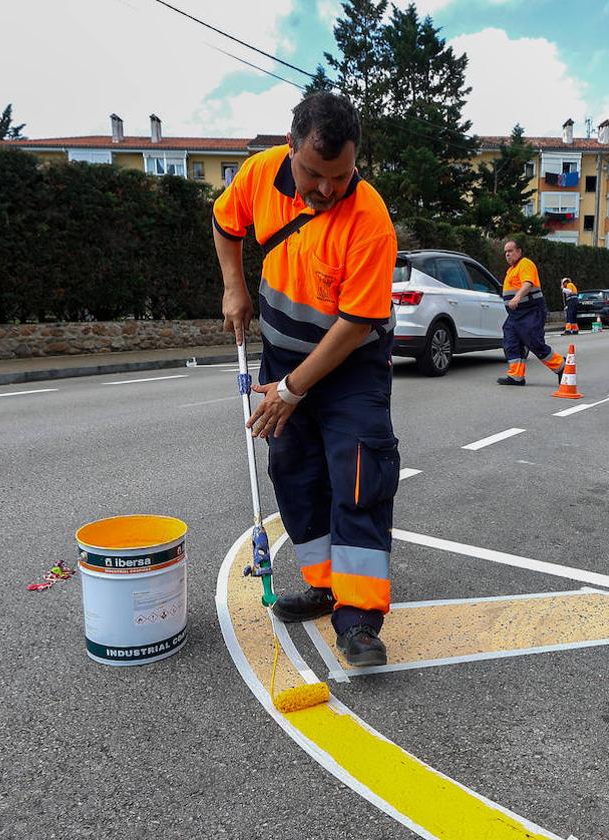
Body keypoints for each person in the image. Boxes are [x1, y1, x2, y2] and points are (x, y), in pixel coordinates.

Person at [212, 91, 398, 667]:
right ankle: (323, 587)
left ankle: (360, 619)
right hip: (280, 359)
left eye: (339, 176)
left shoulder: (369, 219)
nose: (327, 190)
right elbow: (225, 223)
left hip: (350, 370)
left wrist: (294, 390)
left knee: (359, 478)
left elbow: (355, 324)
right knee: (293, 472)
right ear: (289, 148)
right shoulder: (259, 174)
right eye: (314, 175)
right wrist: (234, 286)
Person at [498, 240, 565, 386]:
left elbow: (527, 283)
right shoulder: (511, 270)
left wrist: (517, 297)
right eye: (506, 252)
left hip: (531, 311)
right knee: (511, 341)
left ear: (519, 251)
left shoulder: (525, 264)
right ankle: (516, 376)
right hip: (516, 315)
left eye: (510, 251)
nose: (507, 254)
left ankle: (562, 366)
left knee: (534, 341)